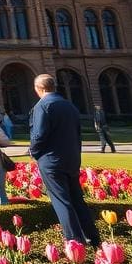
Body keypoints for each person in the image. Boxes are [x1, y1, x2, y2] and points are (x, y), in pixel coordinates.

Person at [30, 74, 100, 247]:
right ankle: (93, 237)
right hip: (71, 159)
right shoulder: (70, 105)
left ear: (39, 89)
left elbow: (39, 135)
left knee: (62, 201)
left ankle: (75, 241)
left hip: (51, 160)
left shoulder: (43, 106)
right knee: (77, 199)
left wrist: (34, 151)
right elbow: (77, 133)